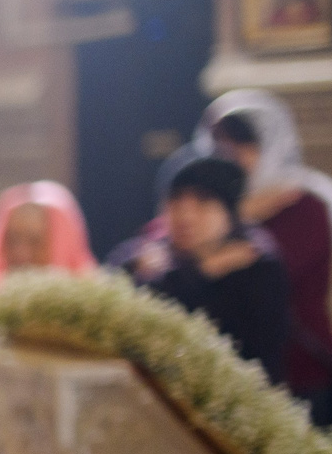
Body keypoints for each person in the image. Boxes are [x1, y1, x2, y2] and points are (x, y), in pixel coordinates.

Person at [205, 91, 332, 413]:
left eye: (244, 143)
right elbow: (161, 248)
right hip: (226, 371)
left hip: (297, 371)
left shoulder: (307, 205)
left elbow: (268, 272)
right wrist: (238, 216)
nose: (232, 156)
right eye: (221, 146)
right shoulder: (207, 204)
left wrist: (219, 245)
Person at [122, 156, 292, 385]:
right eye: (175, 201)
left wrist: (176, 278)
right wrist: (204, 269)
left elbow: (249, 355)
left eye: (202, 202)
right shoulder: (147, 252)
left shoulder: (255, 263)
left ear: (229, 212)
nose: (186, 216)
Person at [0, 180, 94, 328]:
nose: (21, 253)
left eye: (34, 241)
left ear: (64, 245)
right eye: (13, 239)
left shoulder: (93, 318)